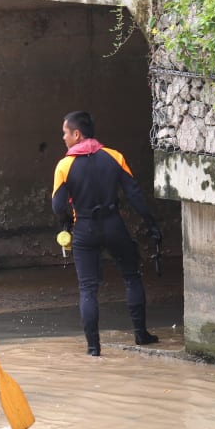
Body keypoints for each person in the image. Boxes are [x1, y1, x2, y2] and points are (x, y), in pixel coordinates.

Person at [52, 111, 161, 357]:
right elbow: (135, 195)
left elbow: (58, 206)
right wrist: (152, 225)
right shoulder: (114, 157)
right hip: (114, 225)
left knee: (88, 289)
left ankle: (93, 348)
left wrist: (67, 223)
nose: (63, 137)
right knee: (132, 277)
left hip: (85, 229)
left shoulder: (64, 166)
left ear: (76, 134)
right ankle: (141, 334)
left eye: (65, 133)